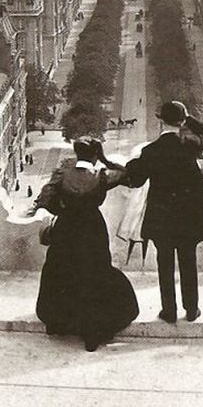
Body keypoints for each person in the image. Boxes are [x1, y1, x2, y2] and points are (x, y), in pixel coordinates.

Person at [31, 137, 139, 351]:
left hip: (67, 228)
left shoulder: (62, 174)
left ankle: (59, 322)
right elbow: (127, 174)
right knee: (94, 274)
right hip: (92, 229)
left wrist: (63, 209)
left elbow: (45, 200)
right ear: (94, 154)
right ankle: (92, 332)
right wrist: (105, 160)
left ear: (76, 152)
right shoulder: (100, 176)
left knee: (63, 270)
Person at [124, 101, 203, 323]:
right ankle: (191, 309)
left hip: (162, 217)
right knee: (188, 260)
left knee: (164, 263)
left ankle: (169, 311)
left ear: (161, 122)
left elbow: (135, 180)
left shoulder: (151, 150)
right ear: (182, 121)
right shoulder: (190, 145)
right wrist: (187, 117)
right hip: (188, 217)